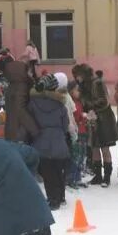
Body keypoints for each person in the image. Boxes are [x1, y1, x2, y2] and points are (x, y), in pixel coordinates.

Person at [29, 73, 71, 210]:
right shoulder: (60, 104)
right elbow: (65, 125)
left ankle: (52, 200)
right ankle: (60, 196)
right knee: (59, 171)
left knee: (47, 173)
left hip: (42, 140)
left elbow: (30, 122)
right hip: (59, 141)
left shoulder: (33, 103)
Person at [73, 65, 118, 187]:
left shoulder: (97, 83)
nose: (77, 78)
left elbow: (103, 101)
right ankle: (97, 175)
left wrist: (89, 106)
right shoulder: (82, 86)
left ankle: (107, 177)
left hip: (103, 120)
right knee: (94, 148)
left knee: (104, 147)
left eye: (78, 75)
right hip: (91, 120)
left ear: (84, 74)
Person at [4, 60, 39, 144]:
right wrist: (34, 129)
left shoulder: (12, 87)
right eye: (27, 71)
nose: (30, 73)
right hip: (20, 132)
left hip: (11, 129)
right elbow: (19, 110)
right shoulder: (21, 87)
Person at [67, 81, 89, 188]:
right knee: (75, 156)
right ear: (71, 91)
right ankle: (71, 178)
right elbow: (73, 117)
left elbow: (81, 116)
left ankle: (78, 177)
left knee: (82, 156)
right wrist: (82, 116)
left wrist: (86, 117)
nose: (79, 92)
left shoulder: (79, 102)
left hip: (83, 131)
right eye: (77, 89)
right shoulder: (70, 102)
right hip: (76, 133)